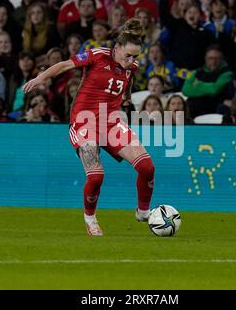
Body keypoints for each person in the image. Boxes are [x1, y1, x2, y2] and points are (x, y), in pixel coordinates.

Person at [23, 18, 155, 236]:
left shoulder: (131, 67)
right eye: (128, 55)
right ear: (117, 48)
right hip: (83, 121)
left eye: (135, 56)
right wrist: (40, 78)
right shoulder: (97, 54)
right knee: (95, 176)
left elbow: (126, 85)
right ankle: (90, 219)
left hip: (110, 122)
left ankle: (143, 211)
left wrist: (128, 100)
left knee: (147, 167)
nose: (131, 60)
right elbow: (65, 64)